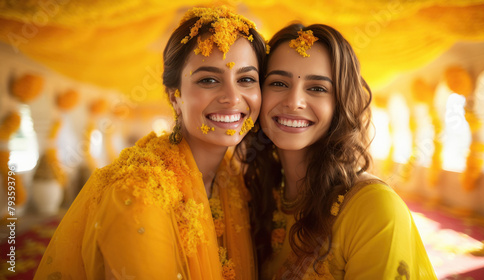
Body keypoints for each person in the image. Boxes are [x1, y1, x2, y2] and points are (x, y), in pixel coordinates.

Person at [35, 6, 266, 280]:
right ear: (174, 98)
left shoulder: (234, 178)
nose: (232, 96)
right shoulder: (139, 193)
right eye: (208, 80)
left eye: (247, 79)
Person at [238, 23, 437, 279]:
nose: (294, 101)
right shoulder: (257, 194)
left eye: (317, 88)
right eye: (278, 83)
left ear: (340, 104)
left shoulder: (373, 208)